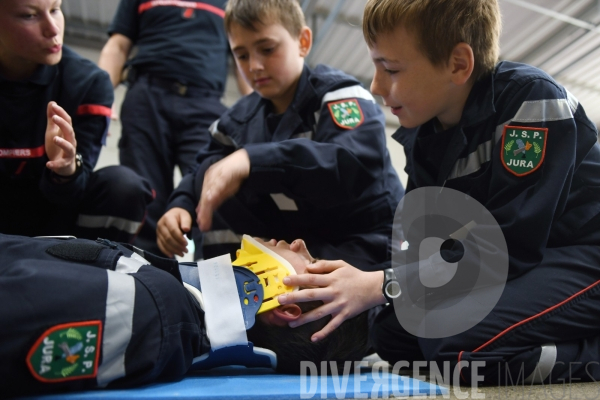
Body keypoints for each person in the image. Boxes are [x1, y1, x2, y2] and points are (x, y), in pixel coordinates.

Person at [280, 0, 600, 386]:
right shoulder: (425, 135)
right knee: (395, 335)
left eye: (391, 68)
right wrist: (372, 292)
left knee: (459, 349)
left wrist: (382, 284)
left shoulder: (531, 102)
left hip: (581, 252)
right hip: (528, 259)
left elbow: (509, 245)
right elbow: (425, 243)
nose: (376, 86)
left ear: (458, 65)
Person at [157, 0, 404, 271]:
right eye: (241, 55)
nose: (254, 66)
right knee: (217, 177)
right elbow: (203, 167)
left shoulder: (340, 96)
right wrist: (181, 204)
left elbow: (350, 163)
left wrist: (252, 160)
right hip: (303, 243)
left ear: (303, 41)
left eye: (267, 49)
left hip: (371, 242)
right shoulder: (237, 120)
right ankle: (225, 287)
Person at [0, 234, 369, 398]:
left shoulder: (153, 314)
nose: (302, 244)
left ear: (286, 309)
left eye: (314, 262)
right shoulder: (167, 300)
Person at [98, 0, 251, 257]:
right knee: (147, 195)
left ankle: (215, 281)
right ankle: (144, 275)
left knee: (215, 190)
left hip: (206, 104)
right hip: (147, 96)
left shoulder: (231, 3)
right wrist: (99, 98)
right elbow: (118, 45)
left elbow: (241, 61)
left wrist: (255, 115)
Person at [0, 0, 153, 243]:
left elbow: (72, 193)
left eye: (55, 9)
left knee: (124, 187)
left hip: (58, 227)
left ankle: (95, 270)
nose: (53, 29)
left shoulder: (89, 83)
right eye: (29, 16)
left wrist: (66, 168)